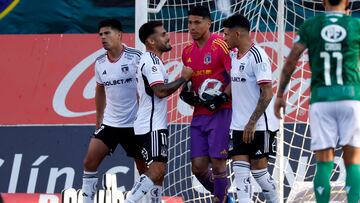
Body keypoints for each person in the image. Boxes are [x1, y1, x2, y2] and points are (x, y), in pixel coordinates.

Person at [274, 0, 360, 202]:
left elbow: (291, 60)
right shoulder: (356, 25)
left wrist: (280, 94)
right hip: (351, 97)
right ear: (348, 2)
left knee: (324, 161)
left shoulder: (311, 25)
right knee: (353, 160)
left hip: (321, 99)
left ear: (323, 2)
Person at [124, 21, 193, 203]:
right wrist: (183, 78)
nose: (168, 36)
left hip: (145, 125)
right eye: (163, 34)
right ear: (151, 41)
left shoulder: (151, 61)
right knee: (158, 169)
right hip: (152, 126)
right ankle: (129, 201)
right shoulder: (151, 61)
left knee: (155, 175)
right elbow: (160, 91)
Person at [81, 19, 147, 203]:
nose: (103, 37)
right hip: (111, 123)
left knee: (145, 169)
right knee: (89, 162)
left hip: (134, 124)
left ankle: (150, 200)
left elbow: (148, 87)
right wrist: (98, 121)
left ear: (119, 35)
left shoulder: (136, 56)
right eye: (100, 34)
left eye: (107, 33)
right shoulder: (100, 62)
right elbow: (100, 90)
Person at [222, 14, 279, 203]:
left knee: (260, 174)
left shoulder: (258, 56)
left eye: (227, 34)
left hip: (260, 125)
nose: (224, 38)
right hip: (237, 125)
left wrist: (252, 122)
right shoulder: (233, 55)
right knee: (240, 176)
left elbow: (267, 93)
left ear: (238, 34)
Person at [180, 5, 233, 203]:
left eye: (197, 22)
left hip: (222, 112)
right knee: (198, 167)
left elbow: (235, 77)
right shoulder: (187, 52)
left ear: (209, 23)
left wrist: (222, 97)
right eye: (190, 23)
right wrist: (186, 94)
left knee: (219, 164)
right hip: (200, 114)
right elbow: (188, 82)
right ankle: (226, 198)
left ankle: (221, 200)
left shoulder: (221, 44)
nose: (192, 27)